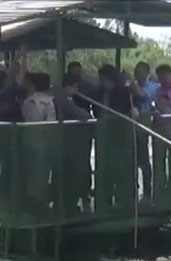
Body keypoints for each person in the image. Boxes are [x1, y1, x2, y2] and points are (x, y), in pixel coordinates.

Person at [94, 64, 138, 209]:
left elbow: (131, 108)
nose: (101, 81)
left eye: (103, 78)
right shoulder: (100, 93)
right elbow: (98, 112)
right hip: (104, 137)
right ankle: (103, 200)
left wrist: (133, 112)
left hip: (121, 136)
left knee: (121, 168)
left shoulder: (124, 92)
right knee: (103, 169)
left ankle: (123, 199)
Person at [54, 73, 93, 213]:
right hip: (66, 144)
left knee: (70, 176)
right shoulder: (63, 100)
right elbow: (83, 115)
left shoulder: (65, 99)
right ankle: (67, 206)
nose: (76, 90)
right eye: (75, 87)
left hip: (68, 143)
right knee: (69, 176)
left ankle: (69, 204)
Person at [21, 72, 57, 216]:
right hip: (42, 144)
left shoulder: (30, 102)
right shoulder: (49, 102)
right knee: (39, 176)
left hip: (32, 142)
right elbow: (50, 125)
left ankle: (35, 207)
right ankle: (37, 207)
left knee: (34, 176)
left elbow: (30, 121)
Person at [129, 61, 158, 201]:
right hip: (130, 123)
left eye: (140, 72)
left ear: (147, 73)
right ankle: (133, 190)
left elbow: (143, 96)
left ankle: (148, 191)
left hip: (144, 121)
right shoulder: (130, 86)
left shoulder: (153, 87)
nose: (137, 74)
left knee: (144, 157)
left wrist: (131, 84)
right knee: (131, 158)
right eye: (136, 71)